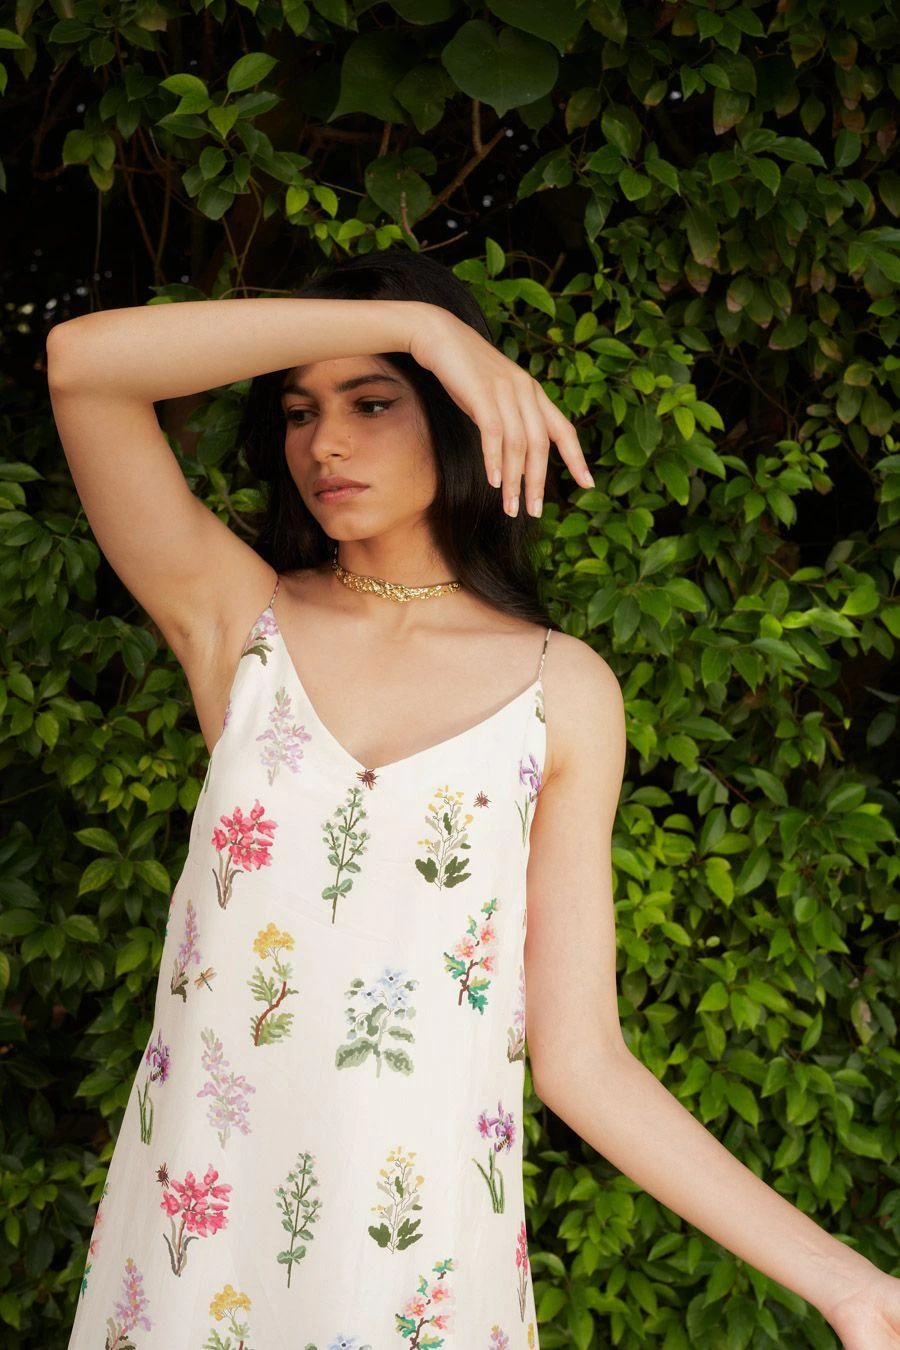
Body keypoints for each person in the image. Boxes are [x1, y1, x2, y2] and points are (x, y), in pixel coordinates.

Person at [48, 250, 899, 1349]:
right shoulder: (236, 621)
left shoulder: (561, 692)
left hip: (418, 1271)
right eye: (300, 412)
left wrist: (849, 1286)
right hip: (197, 1239)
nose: (325, 444)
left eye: (372, 402)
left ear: (457, 416)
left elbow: (584, 1060)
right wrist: (419, 326)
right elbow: (83, 367)